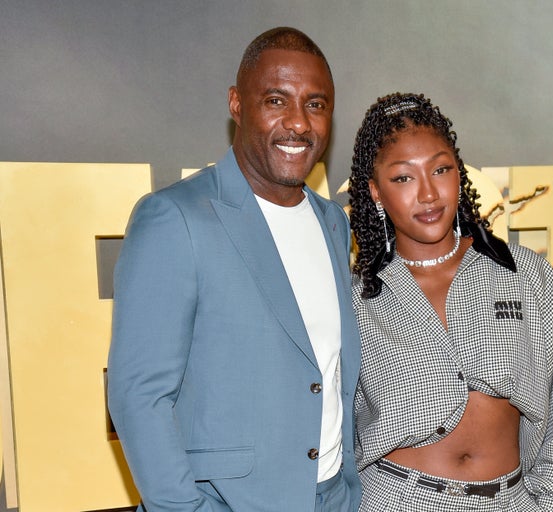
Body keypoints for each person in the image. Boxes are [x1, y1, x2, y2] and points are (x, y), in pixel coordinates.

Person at [107, 27, 362, 512]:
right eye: (275, 100)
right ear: (236, 104)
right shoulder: (176, 218)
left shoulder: (332, 223)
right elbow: (138, 397)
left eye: (315, 104)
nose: (298, 124)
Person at [348, 92, 553, 511]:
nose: (428, 194)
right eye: (404, 178)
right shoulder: (356, 298)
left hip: (512, 500)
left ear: (458, 174)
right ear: (375, 192)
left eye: (441, 169)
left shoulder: (526, 275)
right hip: (395, 499)